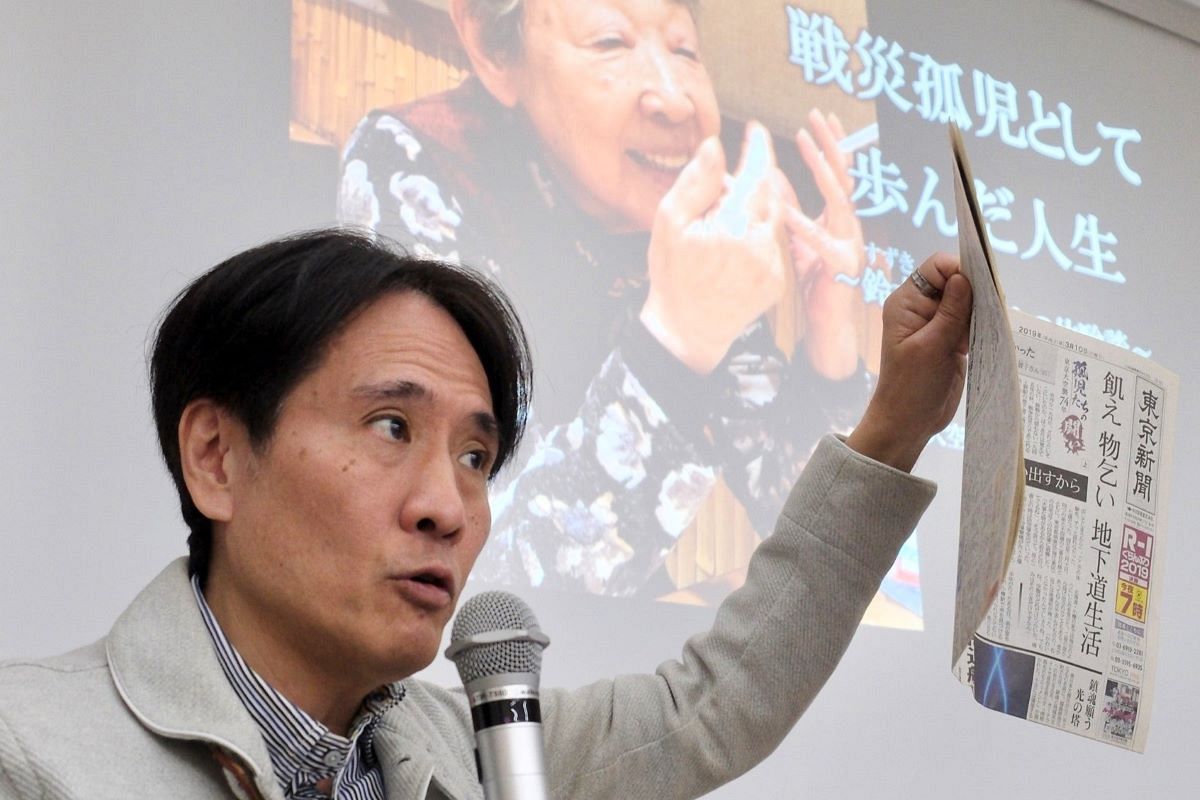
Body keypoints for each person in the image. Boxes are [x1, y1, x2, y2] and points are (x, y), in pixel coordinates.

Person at [0, 228, 971, 799]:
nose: (447, 507)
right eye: (390, 427)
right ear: (217, 457)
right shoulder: (29, 749)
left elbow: (711, 706)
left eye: (475, 457)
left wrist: (895, 427)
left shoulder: (486, 753)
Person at [339, 0, 876, 595]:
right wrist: (681, 337)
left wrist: (832, 333)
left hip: (630, 641)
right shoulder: (421, 159)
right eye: (610, 42)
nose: (674, 98)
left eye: (684, 50)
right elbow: (482, 579)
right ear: (495, 51)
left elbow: (816, 524)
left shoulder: (686, 221)